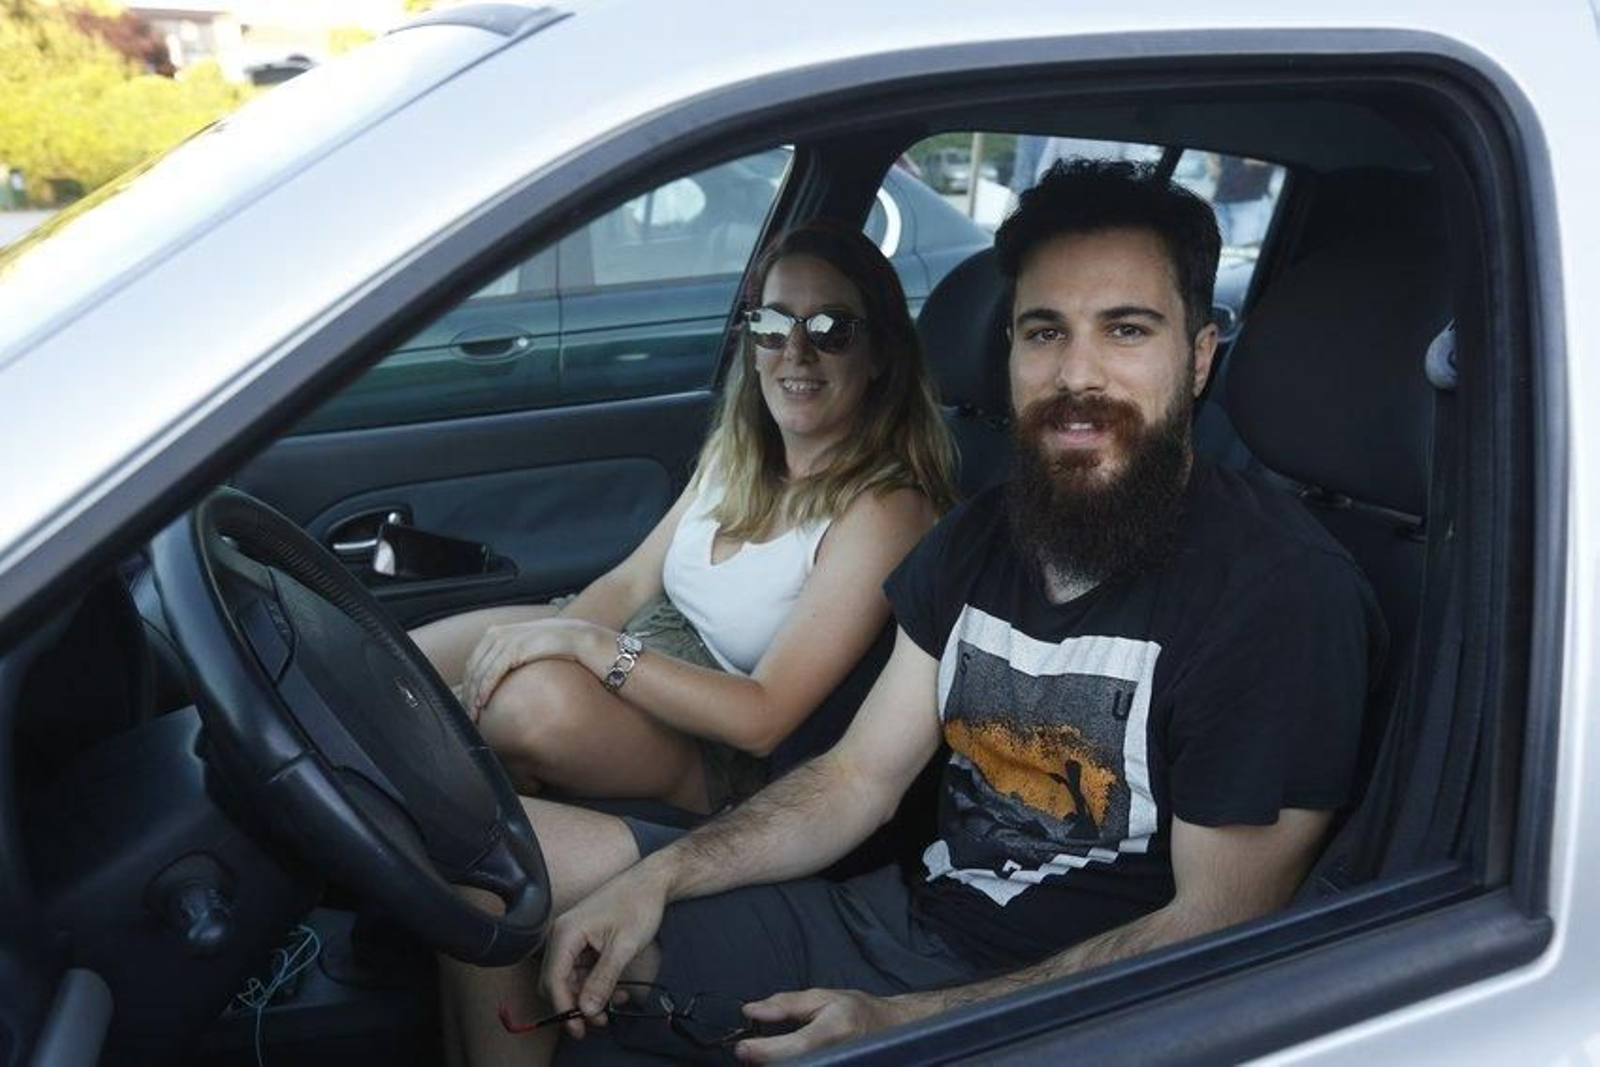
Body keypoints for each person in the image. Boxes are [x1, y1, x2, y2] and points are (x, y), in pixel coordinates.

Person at [482, 159, 1384, 1065]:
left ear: (1198, 355)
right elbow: (856, 780)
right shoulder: (985, 533)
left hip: (1063, 1013)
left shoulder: (1279, 597)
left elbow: (1214, 928)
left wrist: (910, 1021)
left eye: (1127, 330)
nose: (1077, 374)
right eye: (1044, 332)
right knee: (536, 924)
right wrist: (658, 877)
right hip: (894, 921)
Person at [413, 221, 958, 815]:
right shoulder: (742, 450)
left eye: (830, 328)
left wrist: (586, 647)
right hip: (636, 648)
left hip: (711, 744)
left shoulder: (884, 509)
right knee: (406, 660)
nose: (796, 352)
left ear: (879, 354)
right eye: (773, 325)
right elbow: (630, 583)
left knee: (521, 706)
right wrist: (555, 638)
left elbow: (764, 717)